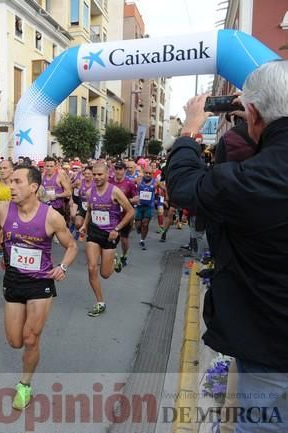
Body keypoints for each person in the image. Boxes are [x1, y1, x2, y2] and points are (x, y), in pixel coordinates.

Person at [166, 61, 288, 432]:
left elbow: (185, 185)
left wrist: (189, 129)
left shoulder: (259, 176)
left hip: (271, 343)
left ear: (251, 113)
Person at [0, 165, 77, 410]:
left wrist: (63, 267)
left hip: (41, 283)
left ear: (33, 187)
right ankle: (27, 360)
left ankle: (24, 385)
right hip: (14, 281)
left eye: (17, 182)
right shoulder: (4, 211)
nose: (11, 186)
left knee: (30, 338)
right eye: (10, 182)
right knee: (15, 341)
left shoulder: (51, 216)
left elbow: (71, 246)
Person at [80, 162, 134, 317]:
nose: (96, 177)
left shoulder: (115, 192)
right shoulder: (91, 192)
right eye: (94, 174)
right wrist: (84, 224)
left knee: (105, 274)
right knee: (91, 267)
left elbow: (130, 212)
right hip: (94, 232)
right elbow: (90, 210)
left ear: (106, 174)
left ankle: (115, 260)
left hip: (110, 234)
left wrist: (117, 229)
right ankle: (100, 302)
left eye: (100, 174)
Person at [109, 161, 139, 270]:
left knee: (124, 239)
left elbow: (136, 199)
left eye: (120, 169)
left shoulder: (129, 183)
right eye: (116, 169)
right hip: (112, 215)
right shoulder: (109, 182)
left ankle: (124, 255)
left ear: (124, 171)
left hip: (126, 216)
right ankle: (114, 258)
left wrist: (125, 201)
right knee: (111, 237)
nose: (118, 171)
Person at [135, 167, 156, 250]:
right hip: (139, 206)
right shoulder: (139, 180)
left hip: (149, 207)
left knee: (145, 223)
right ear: (143, 173)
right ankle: (139, 229)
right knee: (138, 225)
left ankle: (142, 240)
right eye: (146, 173)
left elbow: (164, 188)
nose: (147, 175)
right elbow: (129, 184)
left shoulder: (155, 182)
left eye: (149, 173)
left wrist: (166, 198)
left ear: (152, 174)